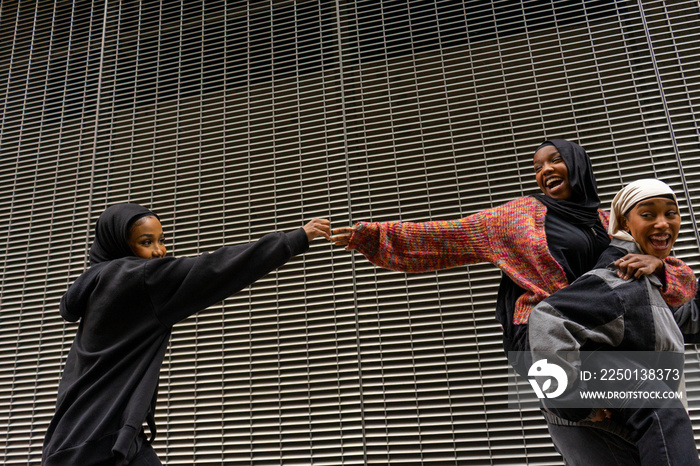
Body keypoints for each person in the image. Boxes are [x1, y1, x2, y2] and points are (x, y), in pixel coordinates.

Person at [330, 140, 696, 460]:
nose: (546, 170)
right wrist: (370, 237)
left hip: (600, 340)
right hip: (546, 338)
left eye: (555, 160)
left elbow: (680, 286)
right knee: (635, 414)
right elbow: (444, 238)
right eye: (538, 167)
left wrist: (657, 267)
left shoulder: (611, 222)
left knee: (643, 435)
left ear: (579, 163)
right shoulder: (516, 217)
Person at [42, 203, 331, 465]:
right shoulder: (135, 279)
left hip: (92, 436)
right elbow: (214, 268)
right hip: (92, 444)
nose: (159, 251)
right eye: (146, 242)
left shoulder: (97, 283)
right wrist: (295, 238)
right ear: (120, 245)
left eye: (161, 240)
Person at [528, 178, 699, 465]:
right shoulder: (621, 276)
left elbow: (690, 318)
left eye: (671, 213)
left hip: (605, 421)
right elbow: (547, 319)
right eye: (648, 214)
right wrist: (574, 402)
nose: (662, 223)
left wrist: (664, 270)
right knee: (660, 404)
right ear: (624, 222)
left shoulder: (650, 285)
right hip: (589, 416)